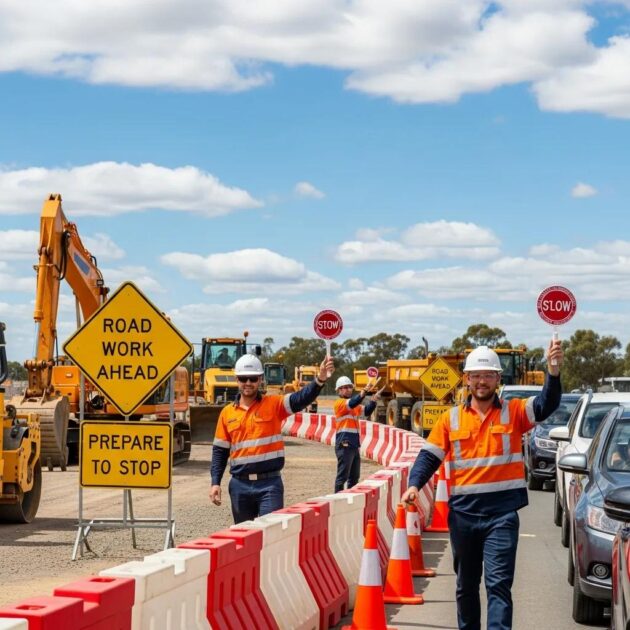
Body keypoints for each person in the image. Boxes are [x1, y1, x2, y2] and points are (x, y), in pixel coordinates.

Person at [401, 341, 563, 630]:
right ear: (466, 379)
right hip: (463, 516)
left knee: (498, 585)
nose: (481, 381)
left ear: (498, 380)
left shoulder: (514, 412)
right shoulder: (450, 419)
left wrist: (553, 371)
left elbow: (546, 404)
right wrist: (414, 484)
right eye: (476, 375)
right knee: (465, 587)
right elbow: (429, 457)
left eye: (488, 375)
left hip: (501, 516)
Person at [210, 353, 334, 523]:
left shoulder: (274, 404)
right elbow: (220, 451)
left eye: (253, 379)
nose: (248, 383)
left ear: (260, 379)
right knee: (244, 538)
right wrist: (215, 482)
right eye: (243, 378)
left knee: (272, 533)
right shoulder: (226, 413)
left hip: (269, 485)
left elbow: (301, 398)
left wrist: (320, 379)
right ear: (237, 380)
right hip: (239, 486)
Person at [333, 376, 381, 492]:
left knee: (354, 477)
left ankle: (350, 498)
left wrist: (373, 401)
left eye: (349, 387)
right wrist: (363, 391)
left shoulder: (354, 406)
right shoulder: (340, 404)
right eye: (344, 388)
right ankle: (337, 499)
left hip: (353, 444)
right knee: (342, 477)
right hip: (344, 443)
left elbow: (367, 411)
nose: (348, 389)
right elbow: (354, 401)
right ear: (339, 390)